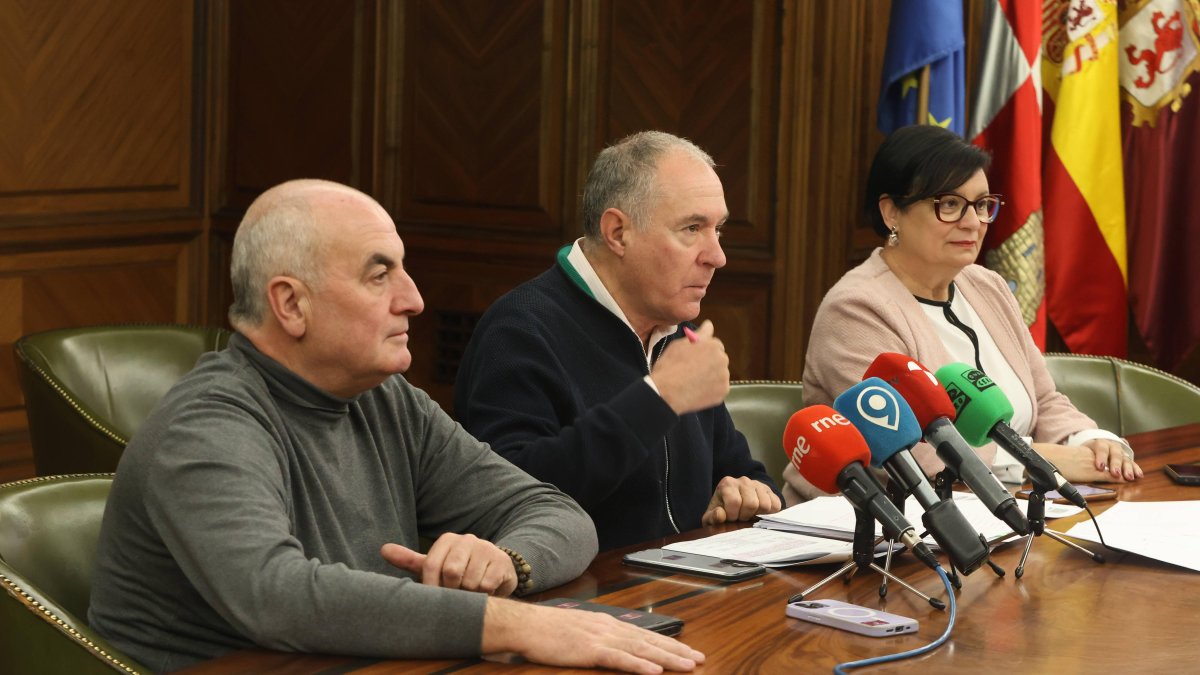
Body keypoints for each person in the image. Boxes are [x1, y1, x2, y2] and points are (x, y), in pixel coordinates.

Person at [88, 179, 705, 674]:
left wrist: (506, 562)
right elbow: (275, 595)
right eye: (379, 274)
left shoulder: (387, 401)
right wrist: (515, 623)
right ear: (290, 303)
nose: (413, 298)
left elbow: (557, 513)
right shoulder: (208, 422)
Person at [454, 131, 781, 551]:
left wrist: (747, 493)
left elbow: (745, 473)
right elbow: (510, 498)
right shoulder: (518, 330)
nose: (716, 256)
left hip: (686, 589)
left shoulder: (677, 335)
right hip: (578, 600)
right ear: (618, 232)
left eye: (718, 229)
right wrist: (657, 400)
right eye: (692, 228)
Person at [785, 124, 1143, 504]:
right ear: (892, 212)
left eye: (982, 204)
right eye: (950, 204)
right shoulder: (856, 309)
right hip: (881, 533)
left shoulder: (986, 286)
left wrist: (1091, 441)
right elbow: (917, 451)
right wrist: (1038, 460)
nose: (973, 222)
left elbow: (1045, 399)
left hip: (1006, 509)